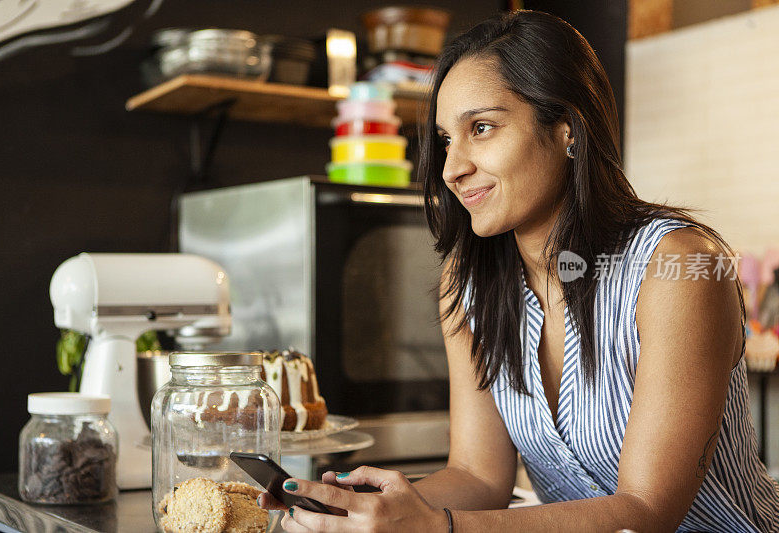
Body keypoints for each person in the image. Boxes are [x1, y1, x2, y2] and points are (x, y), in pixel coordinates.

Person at [260, 10, 779, 532]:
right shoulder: (467, 285)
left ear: (566, 129)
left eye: (481, 128)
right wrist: (375, 510)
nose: (450, 168)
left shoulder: (675, 270)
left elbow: (646, 511)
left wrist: (438, 528)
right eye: (445, 140)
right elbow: (478, 475)